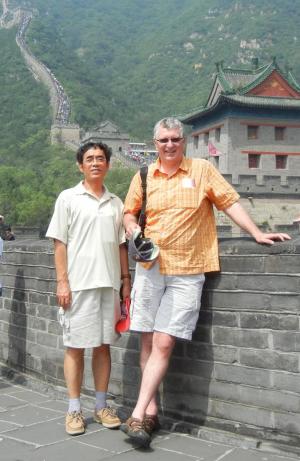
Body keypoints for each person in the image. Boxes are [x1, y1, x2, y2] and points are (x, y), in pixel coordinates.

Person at [121, 117, 291, 447]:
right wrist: (134, 230)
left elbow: (229, 202)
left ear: (183, 141)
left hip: (189, 269)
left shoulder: (201, 170)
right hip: (150, 267)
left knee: (165, 342)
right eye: (163, 141)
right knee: (147, 341)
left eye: (174, 139)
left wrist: (256, 232)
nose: (169, 145)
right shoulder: (143, 175)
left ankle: (137, 413)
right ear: (154, 144)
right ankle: (151, 410)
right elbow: (129, 212)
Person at [46, 141, 131, 436]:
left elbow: (122, 246)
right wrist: (63, 281)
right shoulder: (68, 198)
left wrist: (125, 282)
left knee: (103, 346)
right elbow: (60, 242)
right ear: (80, 165)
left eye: (100, 158)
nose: (96, 162)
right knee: (74, 346)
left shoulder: (116, 203)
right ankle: (73, 410)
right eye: (89, 158)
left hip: (108, 285)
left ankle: (100, 405)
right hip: (78, 285)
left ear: (108, 164)